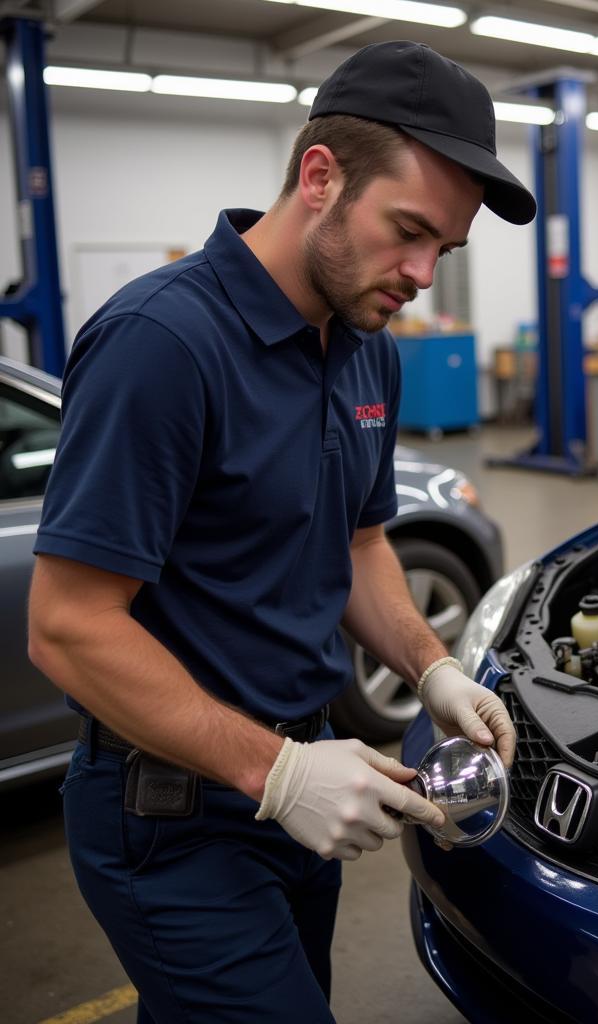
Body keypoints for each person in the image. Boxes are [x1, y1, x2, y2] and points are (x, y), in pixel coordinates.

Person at [27, 40, 534, 1023]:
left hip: (310, 790)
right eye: (408, 232)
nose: (422, 274)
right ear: (319, 178)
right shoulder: (164, 345)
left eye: (445, 251)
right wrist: (278, 770)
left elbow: (357, 544)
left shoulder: (364, 350)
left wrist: (433, 668)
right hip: (174, 815)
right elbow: (68, 625)